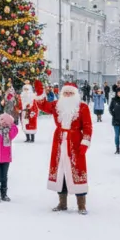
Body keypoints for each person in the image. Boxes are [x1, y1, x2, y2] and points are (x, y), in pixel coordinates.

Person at [34, 81, 92, 215]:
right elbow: (43, 106)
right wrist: (39, 93)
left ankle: (81, 204)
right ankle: (62, 203)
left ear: (75, 94)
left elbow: (88, 127)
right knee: (61, 173)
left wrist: (85, 142)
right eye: (66, 92)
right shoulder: (56, 105)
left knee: (77, 171)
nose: (68, 95)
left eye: (70, 93)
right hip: (59, 141)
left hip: (76, 142)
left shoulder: (82, 107)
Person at [108, 87, 120, 155]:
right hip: (116, 121)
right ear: (117, 93)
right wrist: (113, 114)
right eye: (119, 92)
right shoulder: (114, 100)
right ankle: (117, 148)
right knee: (117, 135)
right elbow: (110, 109)